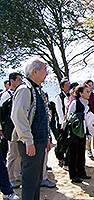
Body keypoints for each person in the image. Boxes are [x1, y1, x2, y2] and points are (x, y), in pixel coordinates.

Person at [11, 58, 51, 200]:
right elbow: (18, 117)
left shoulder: (37, 89)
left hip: (38, 142)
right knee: (29, 181)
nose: (47, 73)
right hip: (30, 144)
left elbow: (42, 117)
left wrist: (47, 139)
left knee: (36, 180)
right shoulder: (24, 89)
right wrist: (28, 141)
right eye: (45, 70)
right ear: (35, 71)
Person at [1, 73, 23, 188]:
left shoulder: (18, 93)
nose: (20, 81)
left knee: (19, 153)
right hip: (10, 129)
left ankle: (18, 174)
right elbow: (2, 114)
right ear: (11, 81)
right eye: (18, 79)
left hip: (18, 128)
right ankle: (10, 177)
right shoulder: (6, 95)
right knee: (12, 153)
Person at [66, 84, 91, 183]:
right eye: (87, 91)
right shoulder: (75, 103)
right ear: (80, 93)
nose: (89, 93)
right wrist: (81, 116)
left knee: (81, 153)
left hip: (83, 132)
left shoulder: (86, 103)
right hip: (75, 132)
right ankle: (73, 175)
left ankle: (81, 172)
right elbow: (69, 117)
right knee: (73, 154)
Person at [54, 77, 70, 168]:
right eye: (67, 85)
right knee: (61, 142)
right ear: (62, 87)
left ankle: (66, 159)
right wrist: (62, 123)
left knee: (67, 143)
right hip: (62, 123)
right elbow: (59, 111)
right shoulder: (59, 97)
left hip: (68, 123)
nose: (69, 87)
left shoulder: (70, 96)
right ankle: (60, 158)